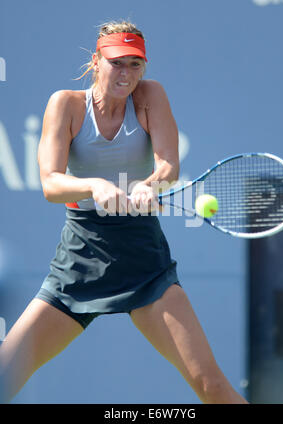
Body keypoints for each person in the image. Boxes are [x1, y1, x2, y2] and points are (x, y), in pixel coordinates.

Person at [0, 20, 248, 404]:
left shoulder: (151, 96)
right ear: (96, 61)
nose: (127, 73)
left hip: (144, 261)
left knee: (211, 385)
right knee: (4, 374)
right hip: (80, 259)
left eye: (135, 64)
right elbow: (50, 183)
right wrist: (94, 186)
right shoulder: (65, 104)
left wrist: (149, 185)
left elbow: (168, 166)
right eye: (117, 62)